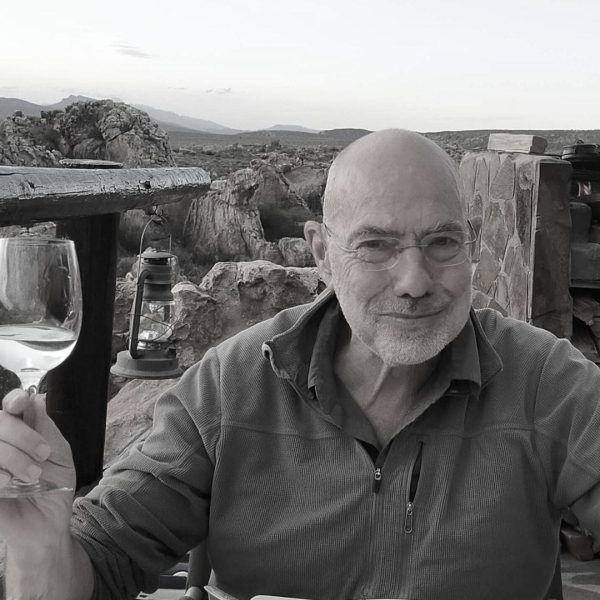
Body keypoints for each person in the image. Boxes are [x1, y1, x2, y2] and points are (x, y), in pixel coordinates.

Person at [1, 128, 600, 600]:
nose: (416, 281)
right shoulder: (232, 387)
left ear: (469, 244)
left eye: (442, 242)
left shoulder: (543, 381)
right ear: (322, 254)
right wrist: (41, 549)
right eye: (376, 245)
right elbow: (103, 562)